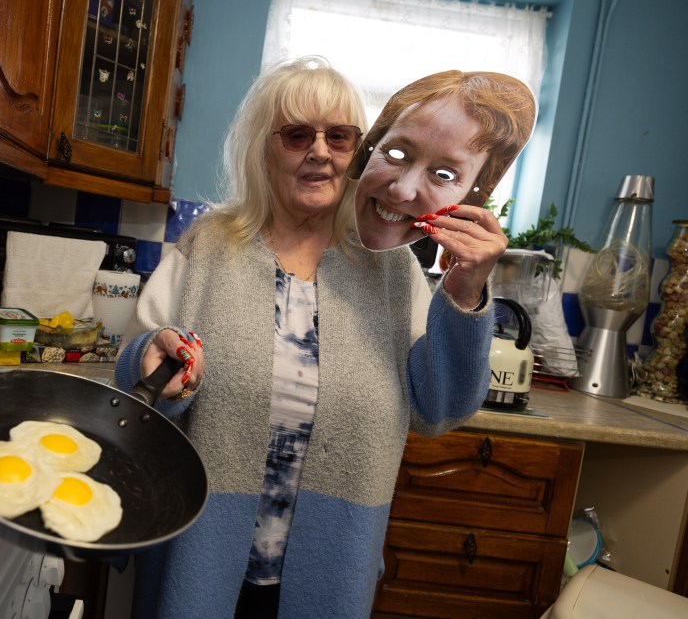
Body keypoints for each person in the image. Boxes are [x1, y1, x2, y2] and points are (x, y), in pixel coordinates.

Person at [114, 57, 536, 618]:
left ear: (357, 151)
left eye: (339, 137)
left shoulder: (391, 272)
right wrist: (153, 360)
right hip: (197, 550)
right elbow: (133, 373)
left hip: (330, 564)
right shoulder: (208, 248)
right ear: (262, 149)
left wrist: (466, 287)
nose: (320, 151)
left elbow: (440, 410)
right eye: (296, 135)